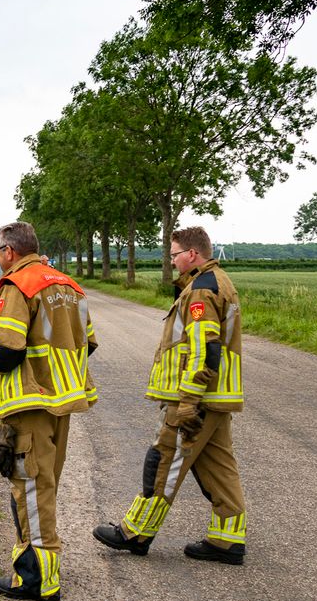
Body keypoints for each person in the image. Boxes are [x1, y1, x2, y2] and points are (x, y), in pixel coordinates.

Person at [92, 226, 247, 565]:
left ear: (192, 254)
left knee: (164, 461)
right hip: (217, 398)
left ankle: (135, 533)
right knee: (220, 467)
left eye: (175, 254)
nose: (172, 261)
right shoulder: (219, 282)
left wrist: (189, 400)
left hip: (195, 400)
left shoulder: (202, 291)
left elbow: (205, 349)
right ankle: (227, 540)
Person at [0, 221, 98, 601]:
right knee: (44, 486)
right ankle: (41, 568)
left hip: (29, 404)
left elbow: (9, 349)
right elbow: (89, 343)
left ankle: (37, 578)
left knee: (29, 488)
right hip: (62, 402)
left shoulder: (17, 285)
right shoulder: (69, 285)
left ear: (9, 251)